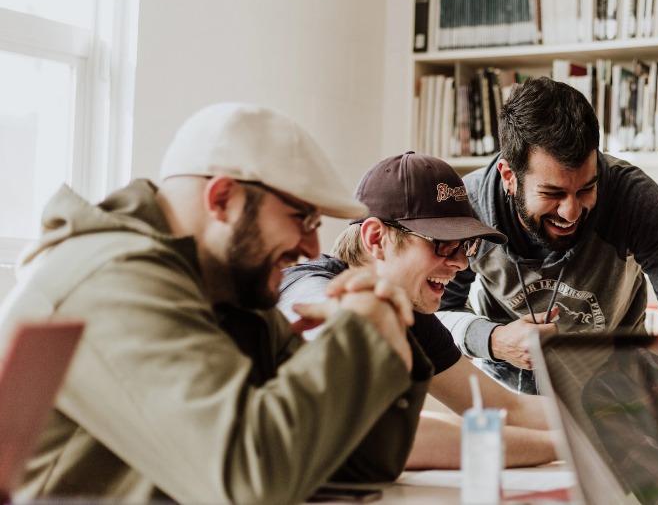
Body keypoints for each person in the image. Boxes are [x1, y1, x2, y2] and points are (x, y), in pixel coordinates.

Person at [0, 103, 431, 503]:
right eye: (301, 218)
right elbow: (248, 481)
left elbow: (355, 465)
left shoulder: (228, 290)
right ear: (222, 198)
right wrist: (359, 335)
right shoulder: (113, 280)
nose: (312, 246)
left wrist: (387, 334)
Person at [436, 77, 658, 434]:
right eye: (552, 193)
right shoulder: (468, 208)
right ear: (509, 176)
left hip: (619, 390)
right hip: (514, 400)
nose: (571, 211)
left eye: (586, 188)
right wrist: (493, 340)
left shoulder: (633, 198)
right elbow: (437, 314)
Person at [278, 151, 557, 469]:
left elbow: (504, 409)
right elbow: (383, 434)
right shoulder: (308, 291)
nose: (461, 263)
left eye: (464, 246)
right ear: (376, 238)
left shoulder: (410, 314)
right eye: (443, 243)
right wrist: (567, 447)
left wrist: (605, 422)